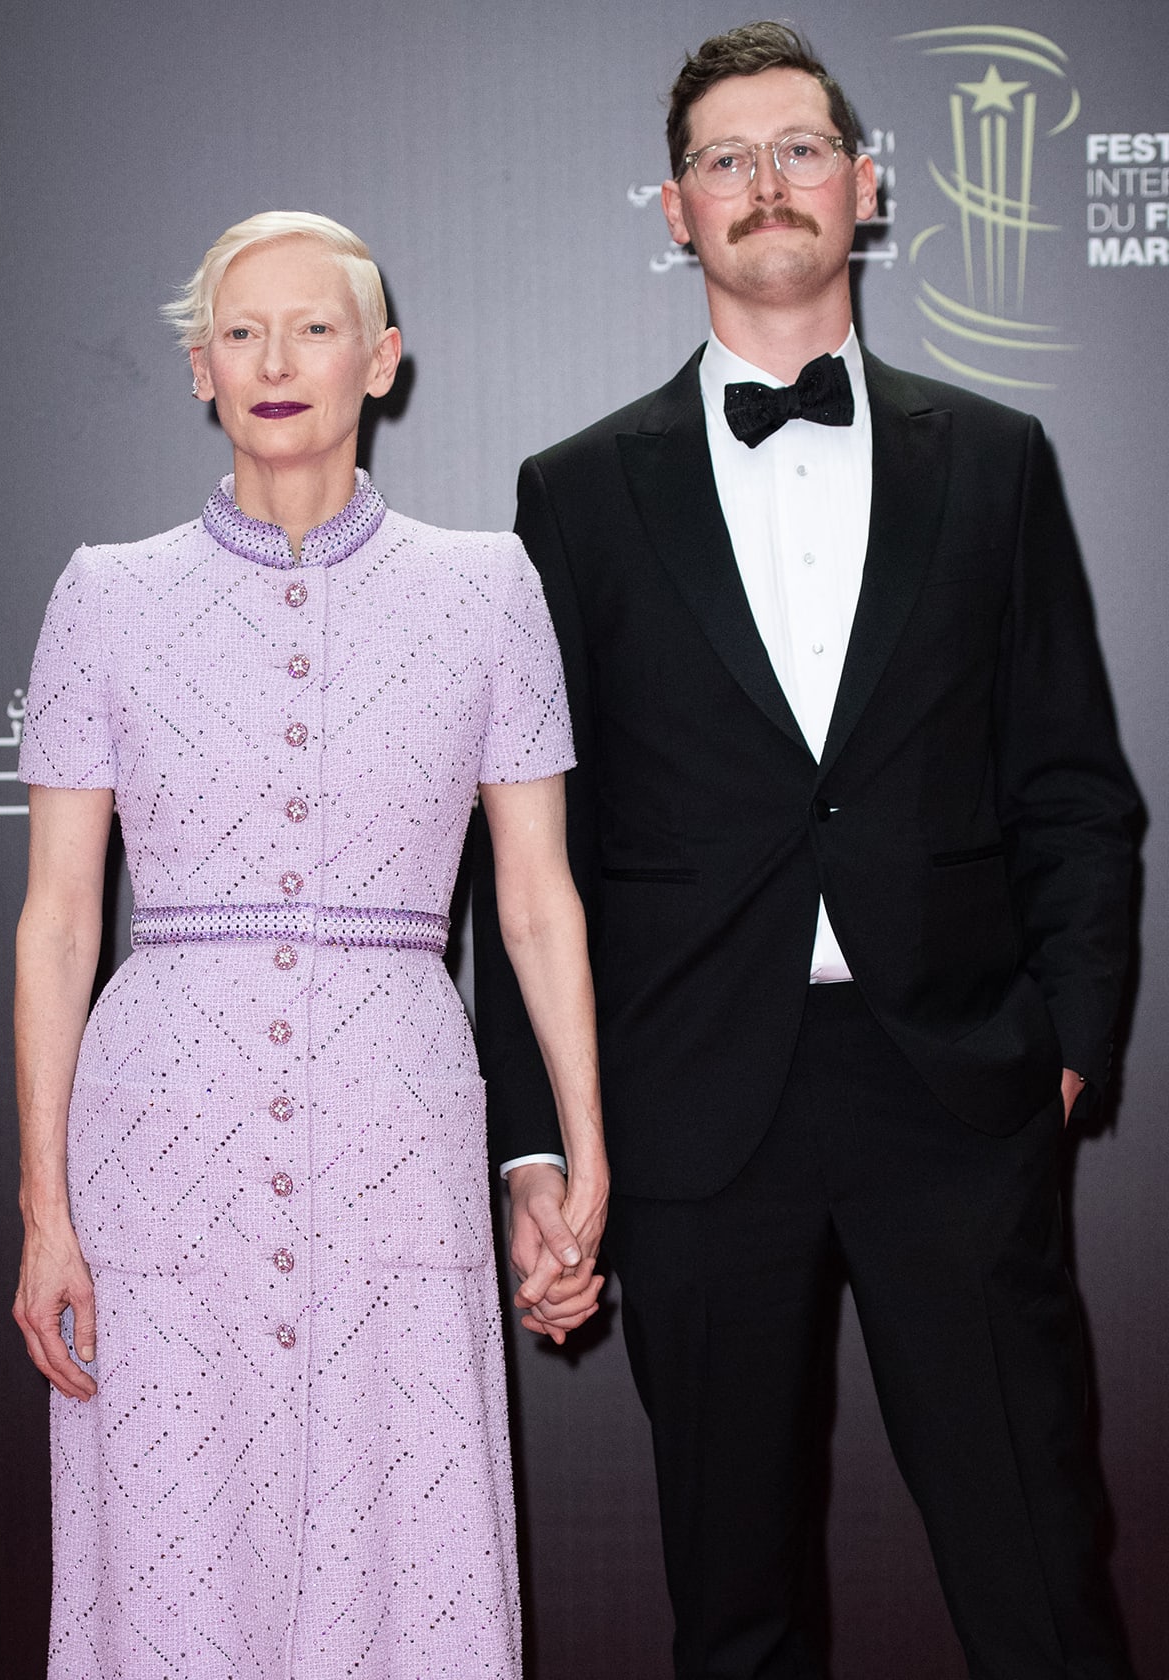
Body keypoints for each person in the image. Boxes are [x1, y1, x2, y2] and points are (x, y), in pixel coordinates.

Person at [473, 22, 1139, 1679]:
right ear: (675, 211)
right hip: (693, 1111)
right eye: (724, 158)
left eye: (796, 149)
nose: (764, 184)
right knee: (735, 1607)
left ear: (864, 185)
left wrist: (1062, 1056)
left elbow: (1073, 789)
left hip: (955, 1095)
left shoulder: (993, 461)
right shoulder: (573, 493)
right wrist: (539, 1142)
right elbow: (529, 854)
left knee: (1041, 1578)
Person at [12, 209, 607, 1680]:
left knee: (408, 1528)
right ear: (202, 371)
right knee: (165, 1531)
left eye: (316, 327)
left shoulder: (490, 589)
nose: (277, 360)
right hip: (155, 1137)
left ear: (383, 360)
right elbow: (61, 916)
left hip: (399, 1120)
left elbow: (535, 899)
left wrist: (586, 1146)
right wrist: (45, 1207)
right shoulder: (105, 593)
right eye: (240, 331)